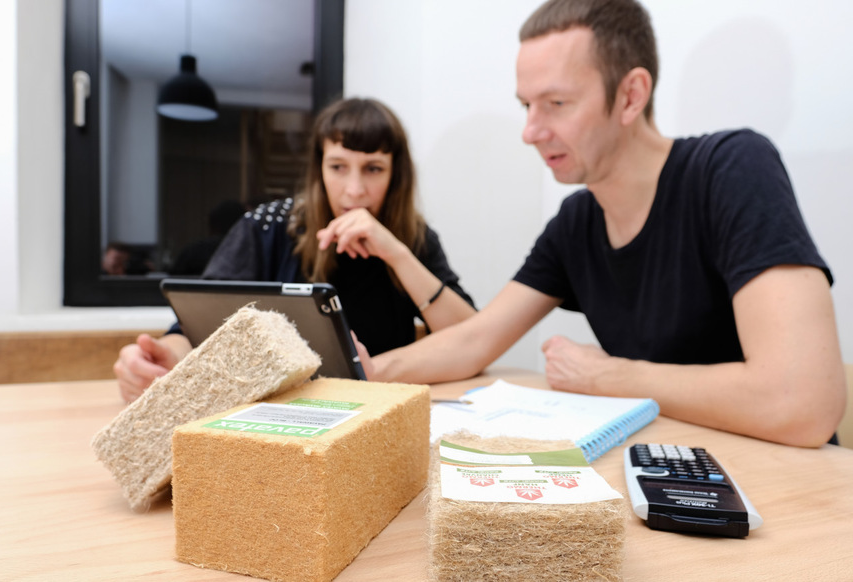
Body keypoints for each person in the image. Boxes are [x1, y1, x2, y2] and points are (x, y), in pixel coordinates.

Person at [363, 0, 846, 448]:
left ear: (630, 96)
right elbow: (474, 340)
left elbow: (802, 402)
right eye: (526, 105)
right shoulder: (578, 221)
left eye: (556, 104)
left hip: (784, 488)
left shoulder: (731, 168)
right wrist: (368, 372)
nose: (530, 132)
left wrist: (609, 376)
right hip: (670, 467)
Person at [114, 98, 476, 403]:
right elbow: (197, 326)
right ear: (318, 169)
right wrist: (162, 359)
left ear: (396, 175)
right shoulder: (266, 227)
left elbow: (472, 339)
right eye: (338, 167)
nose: (354, 189)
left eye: (373, 169)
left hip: (371, 409)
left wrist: (397, 254)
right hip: (275, 410)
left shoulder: (413, 239)